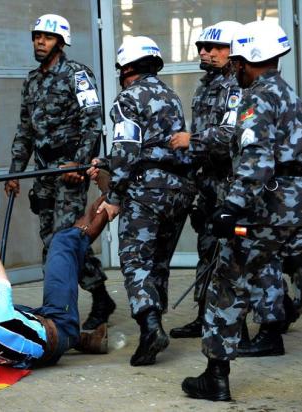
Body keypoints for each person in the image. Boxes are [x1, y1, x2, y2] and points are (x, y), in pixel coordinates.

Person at [182, 21, 302, 409]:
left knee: (226, 283)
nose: (233, 66)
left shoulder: (257, 98)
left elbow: (256, 159)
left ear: (249, 60)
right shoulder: (288, 94)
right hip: (300, 206)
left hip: (264, 210)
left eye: (237, 60)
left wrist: (232, 207)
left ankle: (215, 376)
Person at [169, 22, 297, 358]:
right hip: (210, 182)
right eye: (202, 47)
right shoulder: (205, 88)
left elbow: (232, 139)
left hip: (237, 183)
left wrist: (193, 140)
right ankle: (207, 317)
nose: (206, 54)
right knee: (209, 248)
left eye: (215, 49)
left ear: (236, 52)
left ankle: (267, 318)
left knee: (247, 254)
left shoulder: (241, 88)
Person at [5, 14, 114, 332]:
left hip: (71, 175)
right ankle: (92, 297)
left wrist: (78, 164)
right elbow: (25, 130)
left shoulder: (78, 75)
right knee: (52, 241)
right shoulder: (32, 80)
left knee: (62, 241)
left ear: (61, 42)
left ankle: (65, 309)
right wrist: (14, 171)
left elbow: (92, 121)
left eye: (47, 37)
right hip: (44, 175)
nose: (40, 41)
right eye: (36, 36)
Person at [0, 187, 111, 368]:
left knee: (14, 314)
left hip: (35, 357)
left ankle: (84, 340)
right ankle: (112, 199)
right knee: (63, 242)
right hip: (59, 330)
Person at [95, 36, 195, 366]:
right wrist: (106, 163)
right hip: (178, 189)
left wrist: (113, 197)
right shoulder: (170, 96)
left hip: (146, 191)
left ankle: (150, 327)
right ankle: (156, 323)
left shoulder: (128, 98)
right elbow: (155, 145)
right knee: (160, 263)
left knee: (136, 261)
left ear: (127, 69)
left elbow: (127, 151)